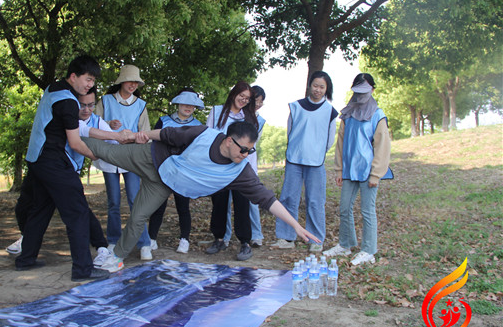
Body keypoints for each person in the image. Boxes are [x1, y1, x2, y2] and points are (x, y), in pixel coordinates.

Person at [81, 121, 321, 272]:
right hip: (151, 157)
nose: (246, 155)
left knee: (138, 217)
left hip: (163, 183)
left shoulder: (240, 171)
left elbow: (267, 199)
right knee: (106, 151)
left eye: (251, 150)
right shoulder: (202, 134)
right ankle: (69, 133)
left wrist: (296, 225)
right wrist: (136, 136)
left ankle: (116, 258)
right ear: (229, 141)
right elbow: (168, 134)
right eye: (243, 149)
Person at [6, 89, 133, 274]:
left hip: (65, 171)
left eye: (91, 105)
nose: (87, 109)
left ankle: (28, 255)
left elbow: (114, 142)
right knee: (64, 211)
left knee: (48, 210)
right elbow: (83, 131)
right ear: (74, 103)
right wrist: (116, 136)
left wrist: (129, 138)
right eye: (82, 105)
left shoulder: (98, 121)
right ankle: (31, 249)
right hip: (52, 169)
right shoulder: (65, 114)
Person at [15, 55, 112, 282]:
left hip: (36, 159)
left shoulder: (52, 89)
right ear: (73, 76)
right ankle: (82, 269)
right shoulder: (69, 103)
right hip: (52, 161)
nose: (90, 85)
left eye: (93, 81)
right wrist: (98, 155)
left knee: (41, 209)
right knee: (77, 212)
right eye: (87, 79)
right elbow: (76, 143)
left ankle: (26, 259)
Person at [323, 73, 393, 265]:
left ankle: (368, 250)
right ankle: (345, 245)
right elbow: (341, 144)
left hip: (369, 172)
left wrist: (376, 174)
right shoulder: (347, 114)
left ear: (372, 90)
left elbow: (382, 147)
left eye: (365, 91)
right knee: (345, 208)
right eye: (358, 91)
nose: (361, 96)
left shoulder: (378, 115)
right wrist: (339, 170)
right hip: (349, 171)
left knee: (367, 210)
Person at [272, 71, 338, 252]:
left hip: (316, 162)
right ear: (309, 85)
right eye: (315, 85)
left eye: (322, 87)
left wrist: (316, 151)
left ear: (327, 89)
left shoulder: (330, 111)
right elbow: (290, 131)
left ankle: (315, 239)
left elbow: (330, 139)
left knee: (316, 201)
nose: (317, 90)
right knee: (288, 198)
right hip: (294, 158)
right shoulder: (296, 106)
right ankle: (286, 237)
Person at [94, 64, 153, 260]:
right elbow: (93, 123)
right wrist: (109, 125)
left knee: (136, 201)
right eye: (130, 80)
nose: (133, 85)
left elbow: (146, 132)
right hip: (110, 155)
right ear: (121, 81)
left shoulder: (141, 105)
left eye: (136, 82)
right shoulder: (105, 101)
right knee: (113, 201)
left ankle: (144, 243)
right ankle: (113, 240)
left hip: (132, 156)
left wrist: (134, 137)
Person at [147, 88, 204, 254]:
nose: (188, 107)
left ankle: (184, 239)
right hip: (163, 168)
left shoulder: (198, 126)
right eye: (185, 103)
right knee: (158, 205)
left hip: (184, 171)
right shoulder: (163, 121)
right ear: (178, 102)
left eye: (192, 104)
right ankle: (151, 238)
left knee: (183, 206)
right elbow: (153, 144)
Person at [206, 81, 259, 259]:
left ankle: (245, 243)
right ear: (233, 93)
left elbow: (252, 147)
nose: (243, 100)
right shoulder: (216, 111)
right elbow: (208, 137)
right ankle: (219, 239)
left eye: (247, 98)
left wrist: (251, 171)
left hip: (241, 168)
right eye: (241, 96)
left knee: (242, 205)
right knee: (219, 204)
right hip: (220, 167)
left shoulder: (250, 117)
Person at [222, 85, 266, 247]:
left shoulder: (257, 121)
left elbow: (252, 145)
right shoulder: (228, 114)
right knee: (224, 202)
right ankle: (224, 237)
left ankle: (256, 235)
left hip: (247, 163)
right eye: (256, 100)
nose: (258, 104)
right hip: (226, 163)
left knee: (250, 201)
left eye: (261, 102)